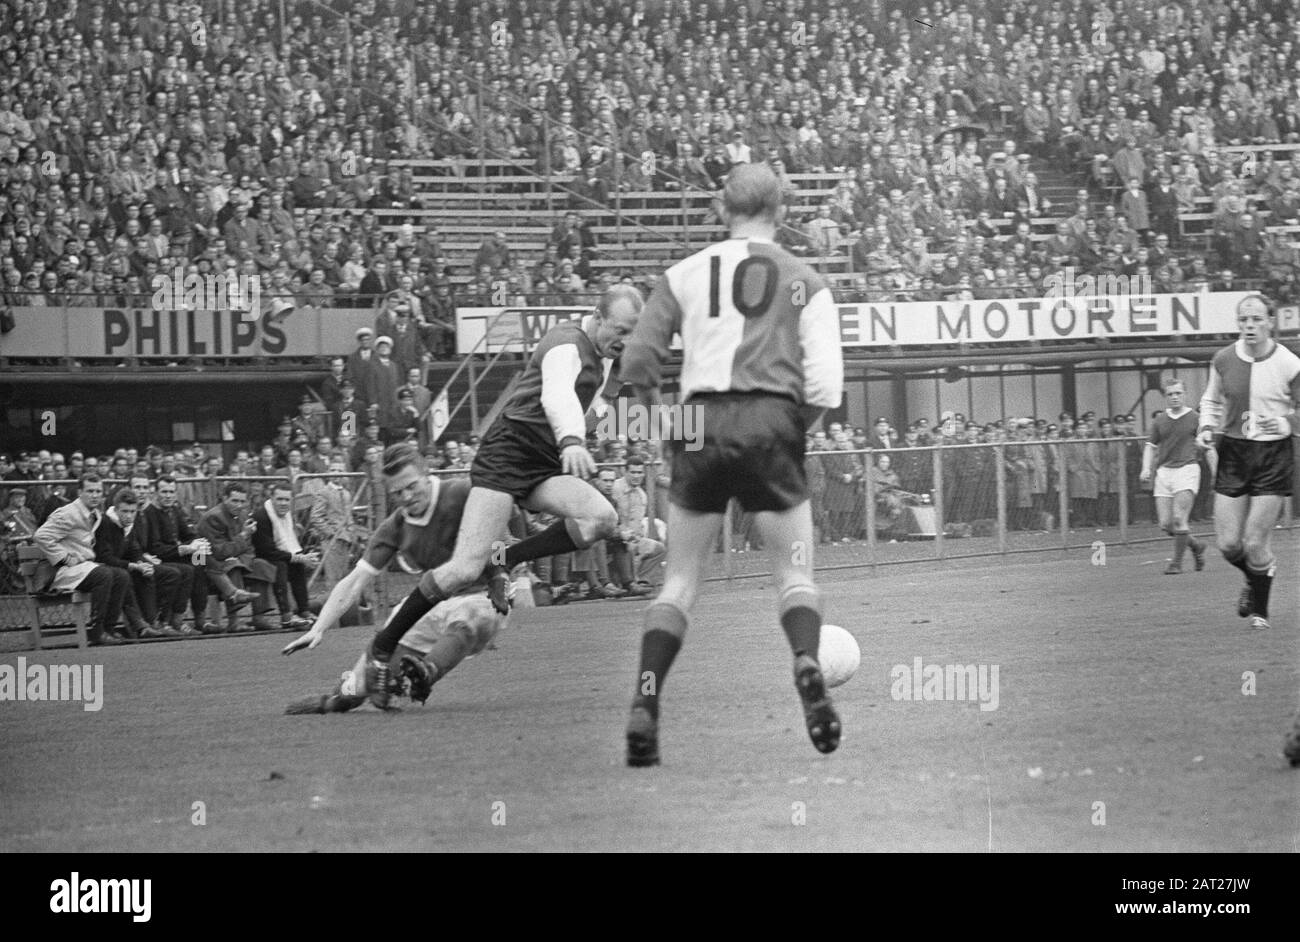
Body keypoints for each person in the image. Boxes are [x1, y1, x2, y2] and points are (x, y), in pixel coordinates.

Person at [615, 163, 845, 766]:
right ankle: (804, 661)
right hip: (772, 423)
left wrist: (662, 424)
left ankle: (646, 701)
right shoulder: (806, 280)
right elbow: (824, 385)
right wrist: (792, 435)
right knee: (795, 573)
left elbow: (638, 359)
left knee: (680, 580)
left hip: (702, 424)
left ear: (722, 208)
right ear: (783, 211)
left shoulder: (684, 273)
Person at [336, 285, 644, 708]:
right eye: (621, 330)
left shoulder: (608, 357)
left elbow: (597, 400)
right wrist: (573, 439)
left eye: (633, 332)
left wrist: (598, 414)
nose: (626, 340)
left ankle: (511, 558)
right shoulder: (565, 343)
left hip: (544, 460)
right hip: (509, 454)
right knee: (464, 569)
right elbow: (556, 396)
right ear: (597, 315)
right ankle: (383, 647)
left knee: (601, 519)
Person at [280, 444, 505, 714]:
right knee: (363, 684)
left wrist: (500, 575)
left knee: (472, 618)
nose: (407, 496)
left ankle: (427, 673)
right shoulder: (396, 526)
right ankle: (336, 698)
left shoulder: (461, 492)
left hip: (484, 597)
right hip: (428, 603)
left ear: (427, 473)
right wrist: (318, 628)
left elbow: (500, 533)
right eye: (397, 492)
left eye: (412, 486)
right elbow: (354, 581)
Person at [1197, 295, 1300, 630]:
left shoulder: (1289, 363)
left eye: (1256, 319)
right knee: (1228, 545)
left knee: (1255, 542)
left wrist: (1287, 423)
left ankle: (1261, 613)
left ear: (1270, 321)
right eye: (1243, 320)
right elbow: (1211, 400)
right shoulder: (1224, 358)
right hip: (1234, 452)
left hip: (1273, 454)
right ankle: (1256, 577)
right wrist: (1205, 427)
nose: (1249, 326)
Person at [32, 474, 129, 645]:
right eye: (90, 491)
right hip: (60, 572)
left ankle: (109, 629)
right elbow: (41, 536)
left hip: (82, 569)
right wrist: (65, 558)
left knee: (121, 576)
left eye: (98, 491)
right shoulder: (68, 512)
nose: (95, 495)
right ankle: (97, 633)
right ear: (79, 492)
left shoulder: (95, 514)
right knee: (104, 575)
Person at [1139, 379, 1207, 575]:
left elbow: (1206, 443)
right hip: (1164, 473)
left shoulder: (1195, 418)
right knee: (1166, 524)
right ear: (1165, 397)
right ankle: (1196, 546)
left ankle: (1176, 563)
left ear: (1184, 394)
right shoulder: (1160, 420)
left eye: (1178, 393)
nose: (1174, 397)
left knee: (1179, 518)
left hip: (1187, 469)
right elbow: (1150, 447)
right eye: (1170, 394)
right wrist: (1146, 468)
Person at [142, 474, 215, 634]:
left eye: (171, 492)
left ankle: (200, 619)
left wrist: (198, 544)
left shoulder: (174, 509)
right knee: (189, 570)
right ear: (155, 492)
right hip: (160, 559)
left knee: (201, 561)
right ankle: (176, 620)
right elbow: (155, 548)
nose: (168, 496)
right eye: (164, 492)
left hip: (177, 555)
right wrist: (186, 548)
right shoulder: (150, 513)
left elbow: (188, 533)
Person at [251, 481, 318, 629]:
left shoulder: (287, 515)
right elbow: (266, 551)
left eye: (286, 499)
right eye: (279, 499)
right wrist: (299, 557)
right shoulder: (261, 516)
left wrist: (306, 558)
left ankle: (304, 611)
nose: (283, 503)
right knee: (280, 566)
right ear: (271, 499)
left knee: (298, 565)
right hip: (255, 559)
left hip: (273, 555)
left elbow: (290, 545)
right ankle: (286, 616)